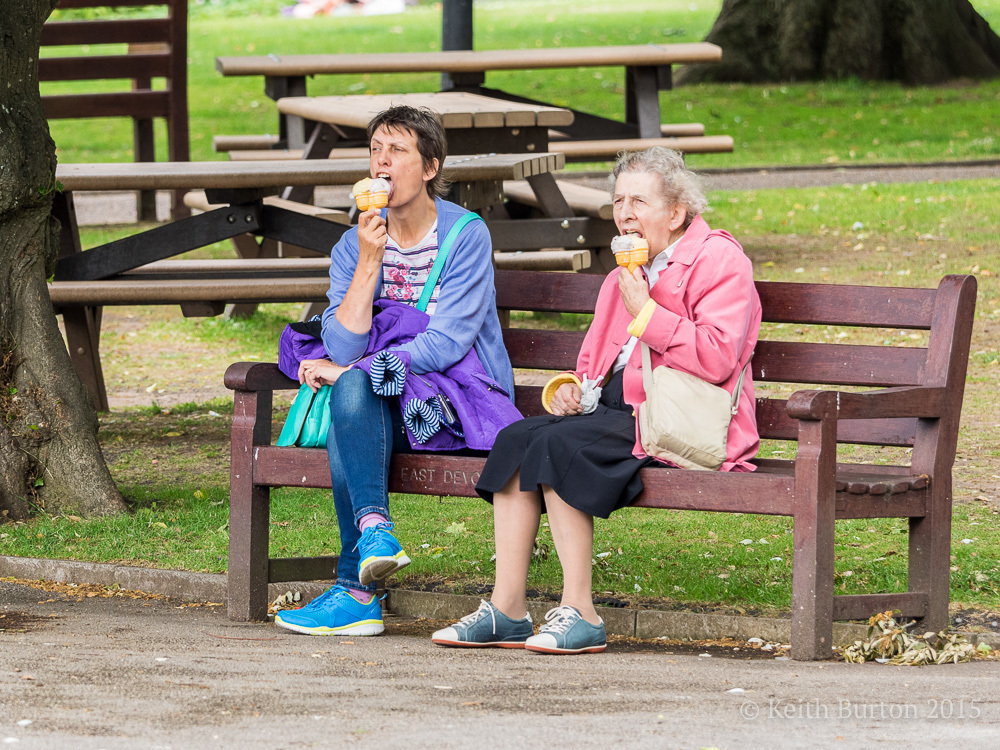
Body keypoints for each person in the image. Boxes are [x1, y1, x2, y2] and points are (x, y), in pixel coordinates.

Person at [432, 147, 762, 654]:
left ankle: (581, 611)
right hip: (611, 412)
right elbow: (593, 369)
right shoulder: (620, 276)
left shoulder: (719, 260)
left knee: (563, 447)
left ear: (676, 213)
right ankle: (507, 609)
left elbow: (719, 357)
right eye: (618, 201)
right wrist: (566, 390)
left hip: (677, 418)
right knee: (519, 438)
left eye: (640, 202)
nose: (625, 213)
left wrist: (646, 311)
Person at [275, 106, 515, 637]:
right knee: (354, 394)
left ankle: (355, 592)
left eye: (398, 151)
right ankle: (375, 531)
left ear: (429, 167)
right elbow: (341, 342)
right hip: (381, 403)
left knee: (352, 394)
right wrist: (367, 260)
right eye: (376, 150)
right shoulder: (352, 244)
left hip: (452, 403)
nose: (382, 162)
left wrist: (356, 370)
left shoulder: (465, 236)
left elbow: (447, 343)